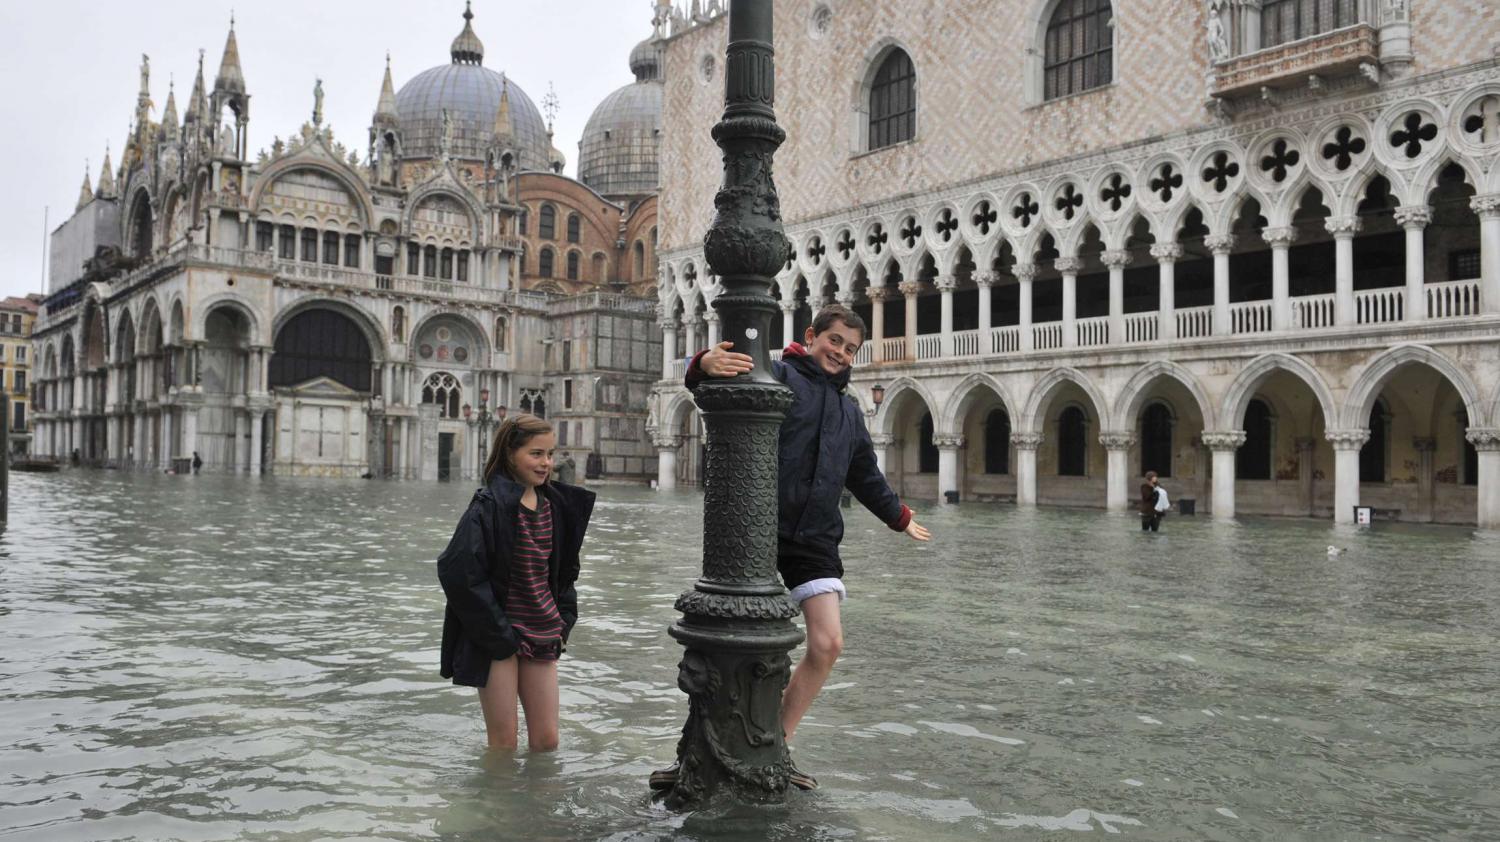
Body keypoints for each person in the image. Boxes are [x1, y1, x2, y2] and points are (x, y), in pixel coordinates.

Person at [653, 304, 931, 791]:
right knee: (728, 649)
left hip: (815, 539)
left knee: (827, 644)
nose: (841, 353)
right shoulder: (778, 376)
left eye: (850, 349)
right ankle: (699, 752)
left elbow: (863, 474)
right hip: (756, 528)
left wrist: (899, 517)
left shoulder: (849, 410)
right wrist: (701, 365)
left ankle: (774, 743)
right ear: (811, 336)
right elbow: (719, 382)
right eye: (835, 341)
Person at [436, 414, 596, 751]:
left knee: (547, 741)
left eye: (550, 454)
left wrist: (564, 620)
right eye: (536, 454)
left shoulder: (558, 507)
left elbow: (565, 573)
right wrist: (498, 634)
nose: (546, 463)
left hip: (543, 631)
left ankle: (538, 805)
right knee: (504, 742)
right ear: (511, 453)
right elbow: (456, 569)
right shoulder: (487, 506)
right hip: (499, 637)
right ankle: (496, 805)